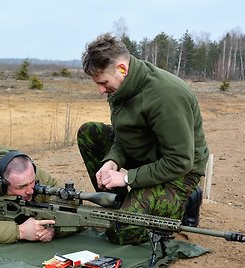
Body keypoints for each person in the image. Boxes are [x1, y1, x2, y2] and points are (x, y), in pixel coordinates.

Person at [78, 33, 209, 245]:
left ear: (122, 68)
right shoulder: (121, 86)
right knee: (89, 132)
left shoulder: (166, 95)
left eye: (103, 82)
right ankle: (122, 203)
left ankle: (187, 199)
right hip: (147, 156)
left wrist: (128, 178)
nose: (101, 91)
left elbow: (180, 161)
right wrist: (113, 160)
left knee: (121, 233)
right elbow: (124, 133)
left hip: (179, 170)